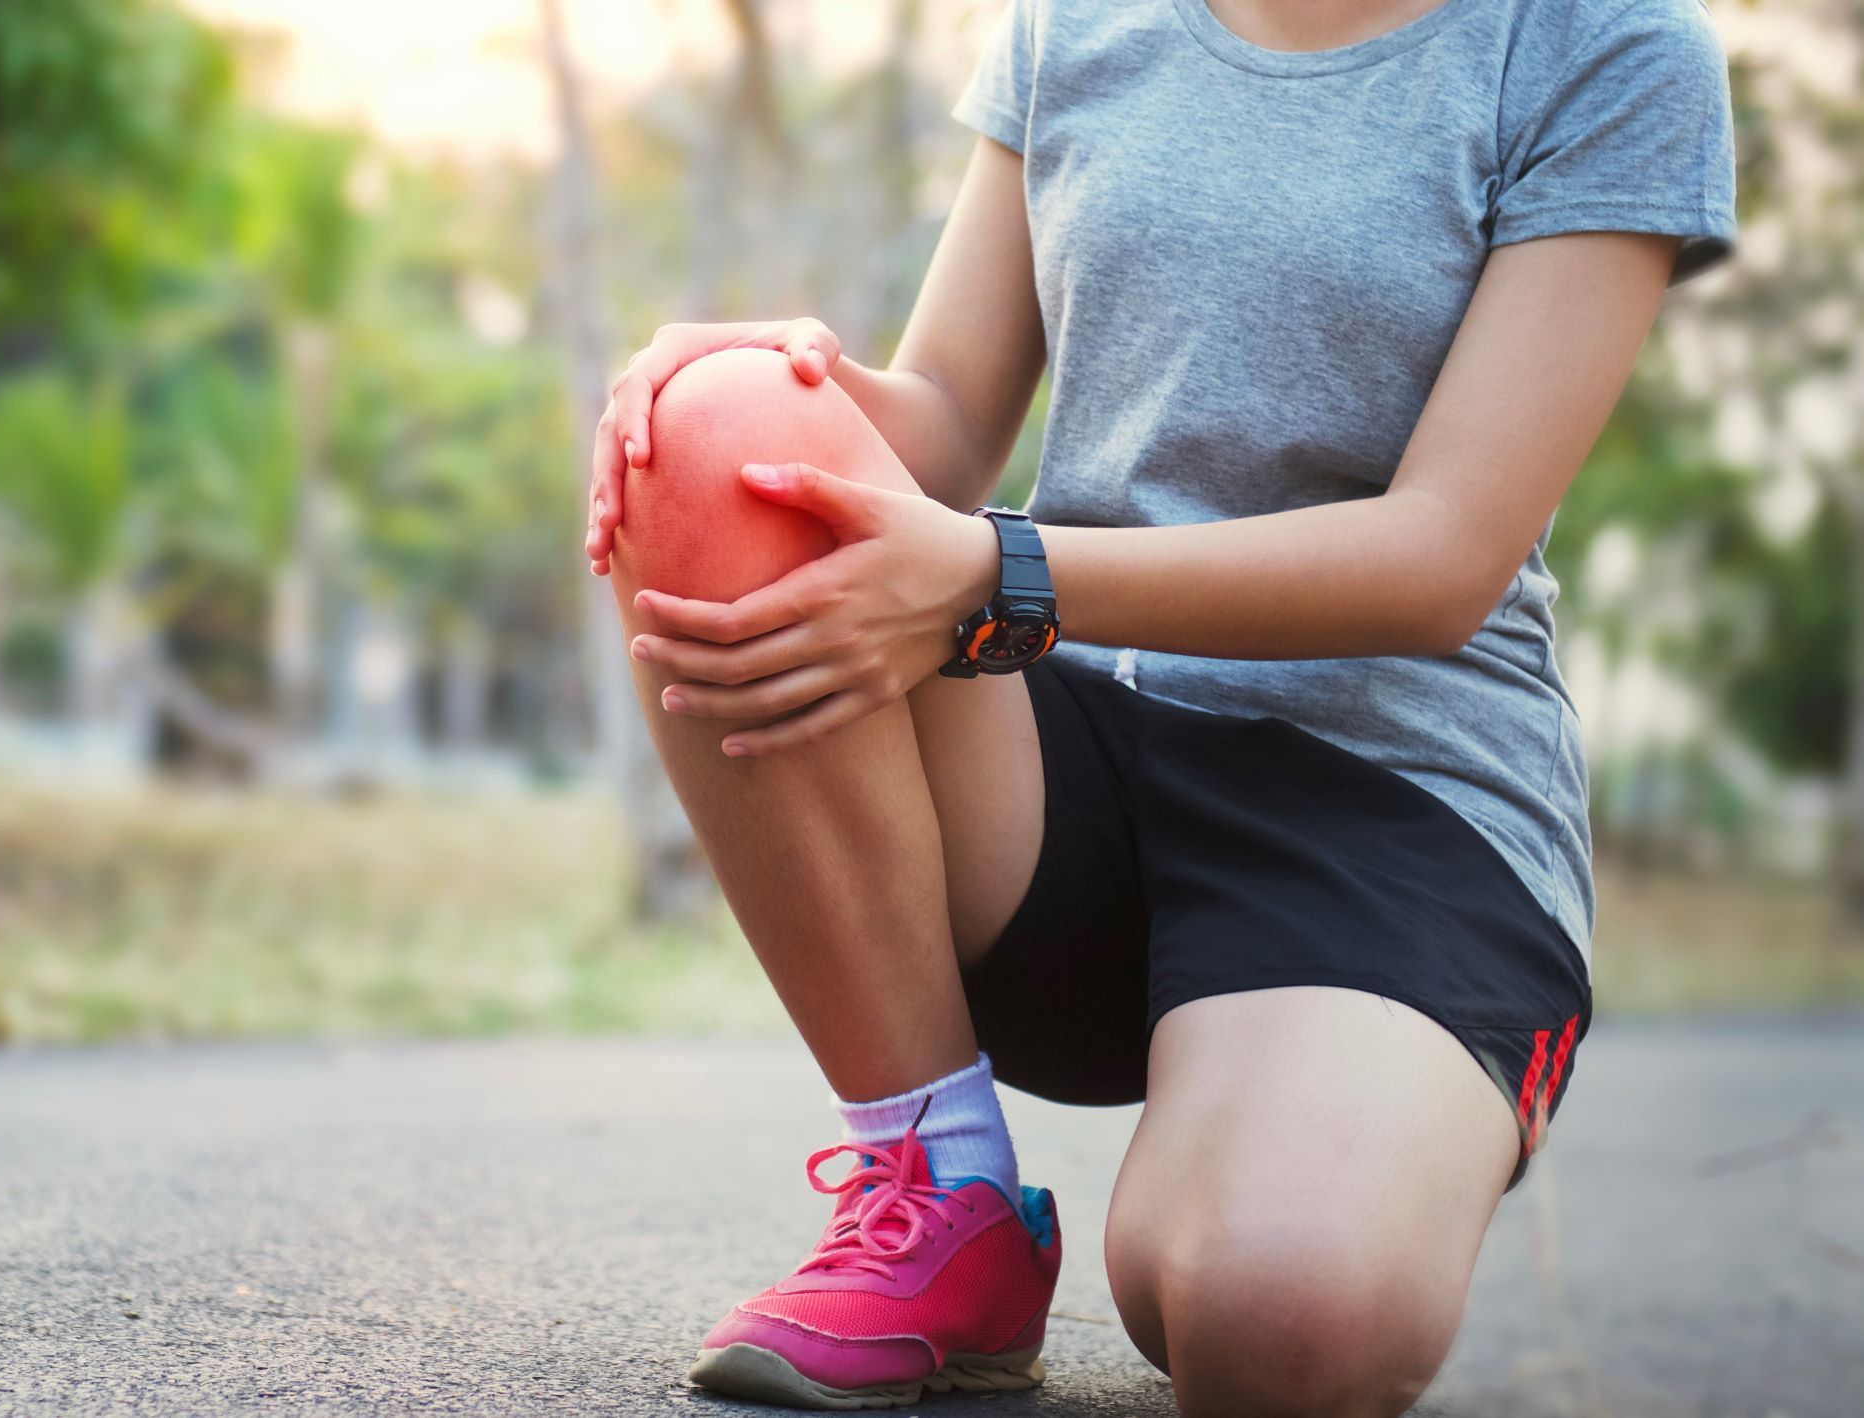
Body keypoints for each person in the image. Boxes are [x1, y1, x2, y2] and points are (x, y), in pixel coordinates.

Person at [581, 0, 1737, 1412]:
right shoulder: (1079, 18)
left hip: (1397, 800)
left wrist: (999, 570)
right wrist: (769, 388)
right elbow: (942, 412)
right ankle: (941, 1190)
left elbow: (1441, 554)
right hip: (1064, 750)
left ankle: (1355, 1114)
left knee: (1269, 1309)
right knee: (716, 426)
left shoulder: (1603, 46)